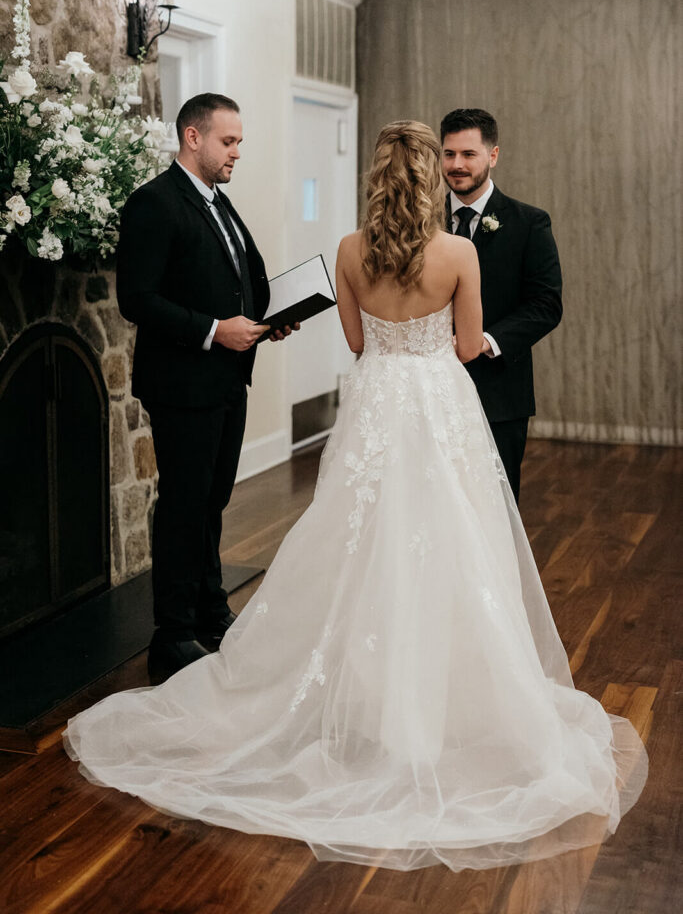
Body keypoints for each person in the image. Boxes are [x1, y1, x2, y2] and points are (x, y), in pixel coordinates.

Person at [65, 121, 646, 874]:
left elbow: (358, 344)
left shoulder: (348, 250)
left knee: (358, 542)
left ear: (376, 177)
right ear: (434, 175)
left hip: (376, 404)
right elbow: (469, 348)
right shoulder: (458, 252)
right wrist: (438, 340)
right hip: (439, 404)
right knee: (455, 546)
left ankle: (360, 699)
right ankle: (443, 701)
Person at [117, 93, 293, 683]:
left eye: (239, 141)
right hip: (182, 381)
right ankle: (171, 634)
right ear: (192, 138)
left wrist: (275, 315)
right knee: (183, 506)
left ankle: (210, 610)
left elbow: (243, 277)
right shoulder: (154, 204)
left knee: (212, 501)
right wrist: (216, 330)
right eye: (229, 141)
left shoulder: (218, 202)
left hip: (226, 379)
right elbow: (135, 299)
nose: (237, 152)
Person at [441, 108, 562, 502]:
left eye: (468, 154)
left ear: (493, 155)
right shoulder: (421, 222)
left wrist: (485, 342)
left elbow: (546, 304)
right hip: (431, 389)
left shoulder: (529, 223)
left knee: (496, 504)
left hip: (498, 393)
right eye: (448, 154)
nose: (456, 165)